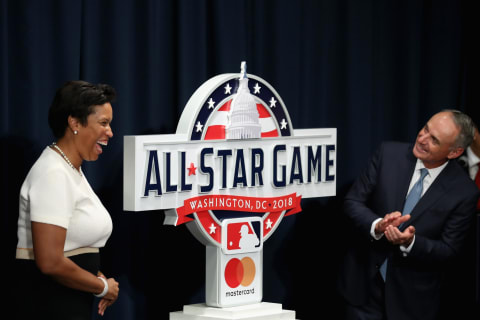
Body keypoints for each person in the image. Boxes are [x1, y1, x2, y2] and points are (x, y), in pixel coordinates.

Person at [337, 110, 480, 320]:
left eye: (434, 139)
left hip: (412, 302)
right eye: (425, 129)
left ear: (454, 152)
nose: (422, 139)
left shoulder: (464, 192)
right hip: (363, 288)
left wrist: (412, 242)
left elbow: (449, 250)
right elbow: (353, 201)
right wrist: (377, 225)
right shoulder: (388, 154)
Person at [14, 80, 119, 319]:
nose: (110, 132)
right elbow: (50, 261)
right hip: (49, 305)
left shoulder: (69, 169)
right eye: (103, 123)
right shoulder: (53, 173)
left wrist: (96, 276)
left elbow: (71, 247)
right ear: (74, 123)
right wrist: (102, 287)